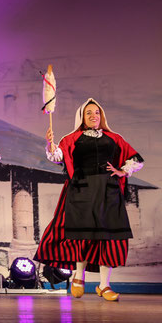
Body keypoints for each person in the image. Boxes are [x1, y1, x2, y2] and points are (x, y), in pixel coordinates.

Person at [35, 98, 143, 302]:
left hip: (108, 192)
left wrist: (121, 171)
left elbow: (136, 159)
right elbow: (58, 156)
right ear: (82, 118)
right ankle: (78, 274)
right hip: (81, 190)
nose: (94, 116)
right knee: (82, 235)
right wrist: (50, 145)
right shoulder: (72, 138)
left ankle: (104, 285)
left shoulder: (114, 138)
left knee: (108, 238)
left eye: (97, 112)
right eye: (89, 113)